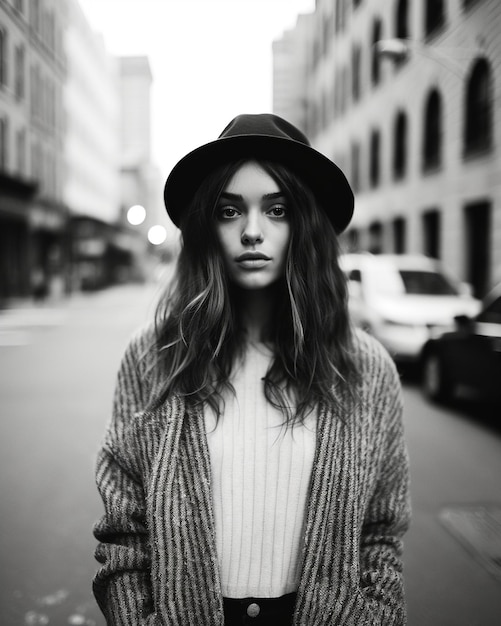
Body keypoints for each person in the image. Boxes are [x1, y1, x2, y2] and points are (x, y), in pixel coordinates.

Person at [93, 113, 411, 626]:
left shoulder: (364, 368)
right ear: (206, 226)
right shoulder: (154, 356)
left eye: (278, 209)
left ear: (305, 223)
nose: (252, 232)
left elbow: (379, 533)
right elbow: (124, 535)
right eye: (229, 211)